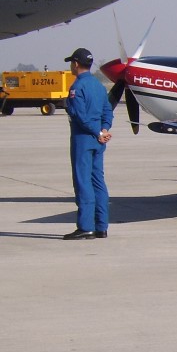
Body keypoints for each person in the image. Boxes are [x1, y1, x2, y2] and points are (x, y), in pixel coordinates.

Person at [63, 47, 113, 239]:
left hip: (83, 139)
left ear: (76, 64)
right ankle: (101, 226)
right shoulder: (99, 86)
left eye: (71, 63)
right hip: (99, 140)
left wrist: (97, 131)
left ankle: (86, 226)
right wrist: (104, 130)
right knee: (98, 182)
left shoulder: (77, 87)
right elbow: (108, 111)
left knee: (83, 182)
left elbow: (80, 116)